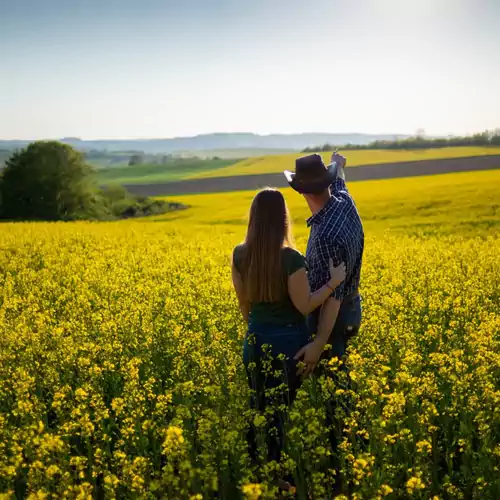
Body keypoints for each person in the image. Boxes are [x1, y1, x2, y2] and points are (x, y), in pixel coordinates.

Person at [231, 187, 346, 475]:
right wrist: (333, 283)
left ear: (254, 218)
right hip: (287, 344)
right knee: (278, 412)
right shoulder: (290, 258)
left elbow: (244, 304)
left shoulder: (239, 254)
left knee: (258, 408)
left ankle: (256, 472)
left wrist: (257, 331)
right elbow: (305, 305)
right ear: (282, 218)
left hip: (255, 340)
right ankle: (273, 476)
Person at [284, 151, 364, 488]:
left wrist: (318, 342)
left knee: (332, 394)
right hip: (353, 308)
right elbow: (343, 183)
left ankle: (342, 467)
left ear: (300, 192)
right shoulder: (343, 202)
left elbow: (333, 294)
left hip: (332, 314)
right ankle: (348, 452)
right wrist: (339, 165)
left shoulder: (327, 234)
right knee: (338, 384)